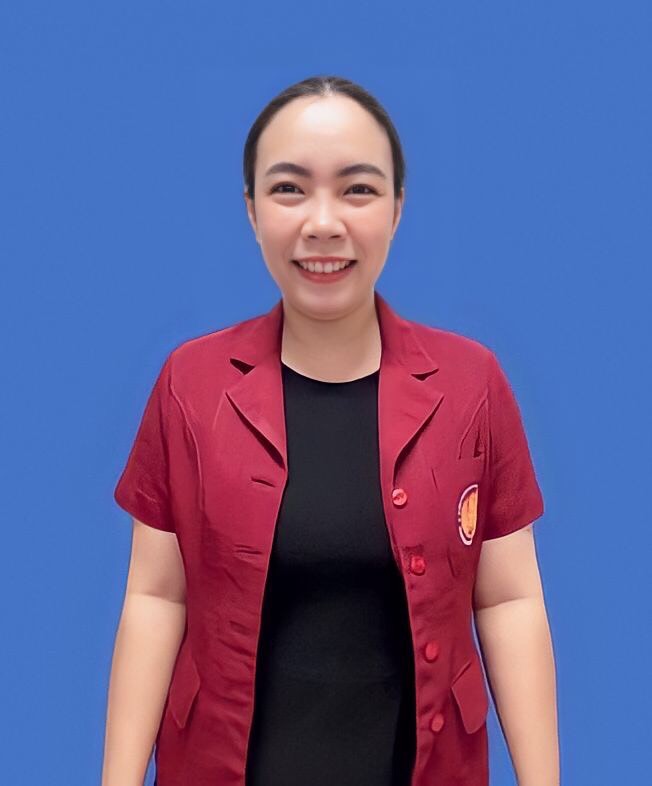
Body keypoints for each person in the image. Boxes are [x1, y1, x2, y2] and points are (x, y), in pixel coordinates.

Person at [102, 75, 559, 786]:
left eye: (358, 189)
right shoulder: (190, 384)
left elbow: (509, 599)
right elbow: (157, 596)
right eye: (289, 189)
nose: (322, 223)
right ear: (252, 210)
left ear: (397, 208)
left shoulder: (472, 383)